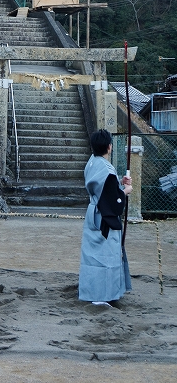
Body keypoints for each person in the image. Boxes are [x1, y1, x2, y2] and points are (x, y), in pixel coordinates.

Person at [79, 129, 133, 304]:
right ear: (109, 147)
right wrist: (125, 191)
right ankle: (102, 295)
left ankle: (93, 291)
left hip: (93, 213)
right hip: (104, 217)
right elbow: (112, 200)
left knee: (92, 255)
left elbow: (103, 187)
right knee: (106, 255)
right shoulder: (107, 168)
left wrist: (118, 183)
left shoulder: (92, 162)